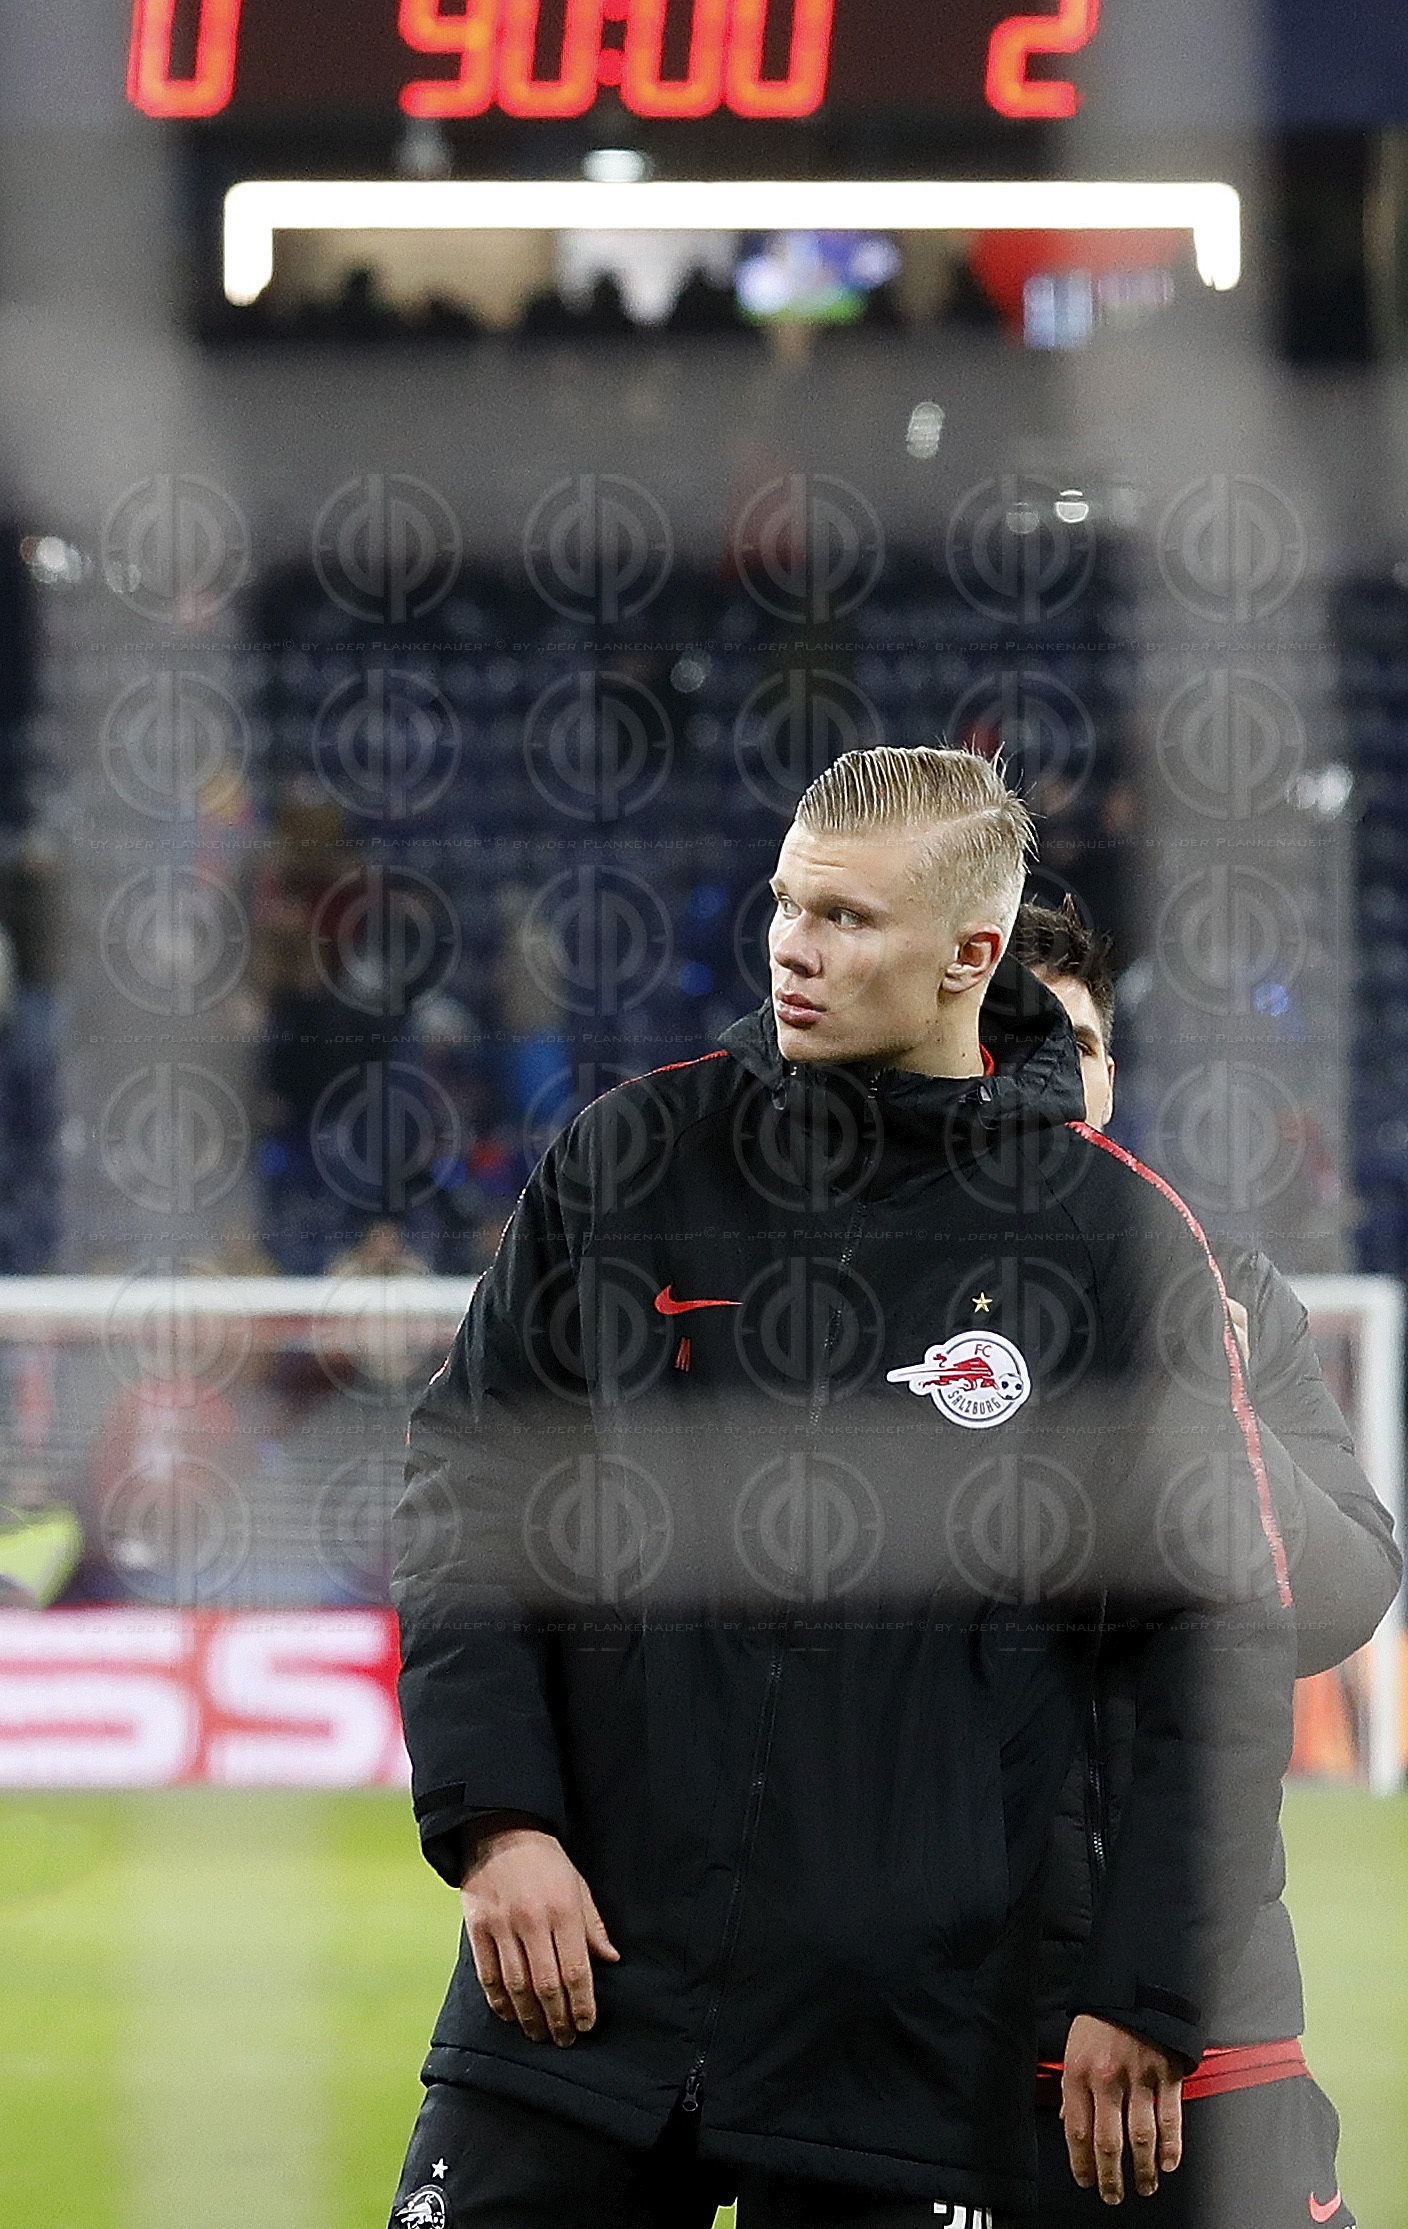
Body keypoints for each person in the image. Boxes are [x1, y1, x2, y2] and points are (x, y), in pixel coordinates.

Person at [390, 747, 1297, 2229]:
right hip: (580, 1992)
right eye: (787, 904)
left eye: (850, 919)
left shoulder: (1112, 1246)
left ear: (972, 954)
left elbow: (1215, 1644)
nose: (795, 950)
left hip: (919, 2041)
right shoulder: (629, 1162)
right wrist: (500, 1823)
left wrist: (1146, 1984)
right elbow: (465, 1496)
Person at [1010, 897, 1401, 2229]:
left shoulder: (1233, 1286)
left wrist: (1218, 1397)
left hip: (1217, 2004)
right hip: (954, 2028)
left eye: (1079, 1043)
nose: (1053, 1074)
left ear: (1113, 1076)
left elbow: (1347, 1591)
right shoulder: (879, 1313)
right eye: (1016, 1041)